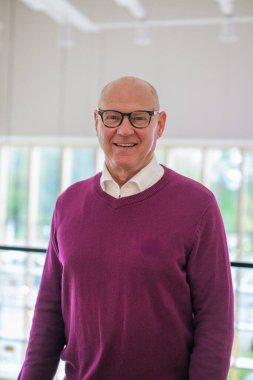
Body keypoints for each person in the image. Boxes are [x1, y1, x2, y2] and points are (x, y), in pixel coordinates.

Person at [18, 76, 234, 380]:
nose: (124, 129)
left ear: (159, 125)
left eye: (139, 117)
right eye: (112, 116)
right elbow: (49, 313)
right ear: (96, 121)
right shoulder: (68, 203)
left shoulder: (198, 205)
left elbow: (216, 319)